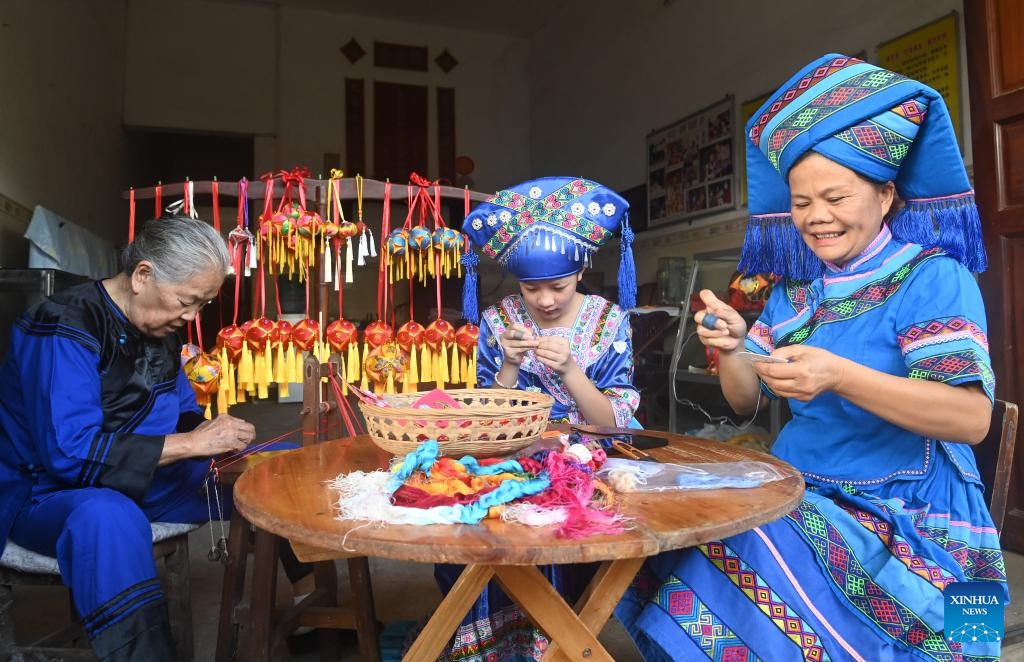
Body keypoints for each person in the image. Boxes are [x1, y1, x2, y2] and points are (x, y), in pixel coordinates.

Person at [617, 53, 1008, 661]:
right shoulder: (797, 292)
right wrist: (736, 346)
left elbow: (970, 419)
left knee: (741, 542)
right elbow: (747, 401)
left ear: (885, 196)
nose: (816, 218)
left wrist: (841, 376)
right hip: (802, 489)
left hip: (907, 518)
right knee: (666, 522)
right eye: (801, 203)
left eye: (835, 197)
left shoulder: (934, 277)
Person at [0, 216, 300, 660]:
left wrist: (211, 435)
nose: (191, 317)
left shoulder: (158, 328)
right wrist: (193, 445)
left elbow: (181, 412)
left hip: (144, 479)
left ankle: (317, 610)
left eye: (202, 305)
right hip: (51, 494)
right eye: (187, 301)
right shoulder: (64, 325)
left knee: (284, 466)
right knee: (109, 518)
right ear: (143, 275)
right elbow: (68, 454)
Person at [418, 177, 642, 659]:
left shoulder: (608, 320)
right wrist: (510, 366)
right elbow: (486, 412)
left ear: (580, 271)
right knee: (475, 521)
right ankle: (490, 644)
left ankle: (554, 642)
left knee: (558, 528)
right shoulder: (500, 321)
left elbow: (613, 421)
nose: (544, 300)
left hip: (590, 450)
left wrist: (570, 370)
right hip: (513, 449)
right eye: (531, 287)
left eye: (557, 287)